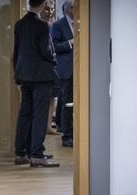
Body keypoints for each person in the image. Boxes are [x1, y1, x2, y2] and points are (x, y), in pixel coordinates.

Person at [13, 0, 60, 168]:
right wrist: (53, 60)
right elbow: (45, 51)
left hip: (24, 74)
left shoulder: (19, 24)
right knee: (39, 114)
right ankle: (37, 154)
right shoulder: (42, 25)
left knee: (25, 113)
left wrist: (17, 74)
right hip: (41, 75)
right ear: (41, 6)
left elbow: (16, 51)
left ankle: (20, 153)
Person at [51, 0, 74, 147]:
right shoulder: (58, 25)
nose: (76, 9)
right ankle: (67, 135)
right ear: (67, 10)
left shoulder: (83, 23)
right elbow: (54, 46)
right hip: (66, 70)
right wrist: (70, 43)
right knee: (67, 102)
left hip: (82, 69)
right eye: (73, 7)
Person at [40, 0, 59, 135]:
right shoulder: (37, 26)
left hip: (53, 68)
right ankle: (42, 128)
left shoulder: (51, 25)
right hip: (41, 70)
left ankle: (48, 126)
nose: (50, 12)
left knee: (52, 97)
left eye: (52, 9)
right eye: (47, 9)